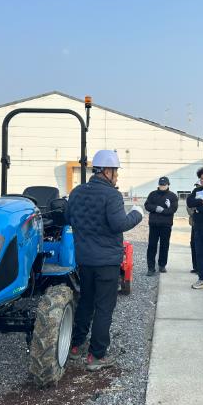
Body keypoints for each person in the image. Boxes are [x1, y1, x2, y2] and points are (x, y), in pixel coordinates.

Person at [67, 150, 144, 371]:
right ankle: (96, 355)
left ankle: (75, 345)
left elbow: (68, 218)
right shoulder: (112, 195)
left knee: (86, 301)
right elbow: (120, 224)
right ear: (107, 171)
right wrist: (137, 213)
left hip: (84, 260)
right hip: (107, 262)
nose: (117, 176)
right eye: (116, 172)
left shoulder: (77, 192)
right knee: (104, 307)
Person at [144, 176, 179, 276]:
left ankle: (162, 265)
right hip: (154, 224)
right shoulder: (152, 194)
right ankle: (151, 268)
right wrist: (155, 208)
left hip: (166, 225)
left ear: (168, 185)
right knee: (152, 246)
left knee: (164, 245)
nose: (162, 186)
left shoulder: (172, 196)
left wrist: (164, 210)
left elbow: (173, 209)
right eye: (161, 185)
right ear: (158, 185)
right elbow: (147, 205)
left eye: (164, 185)